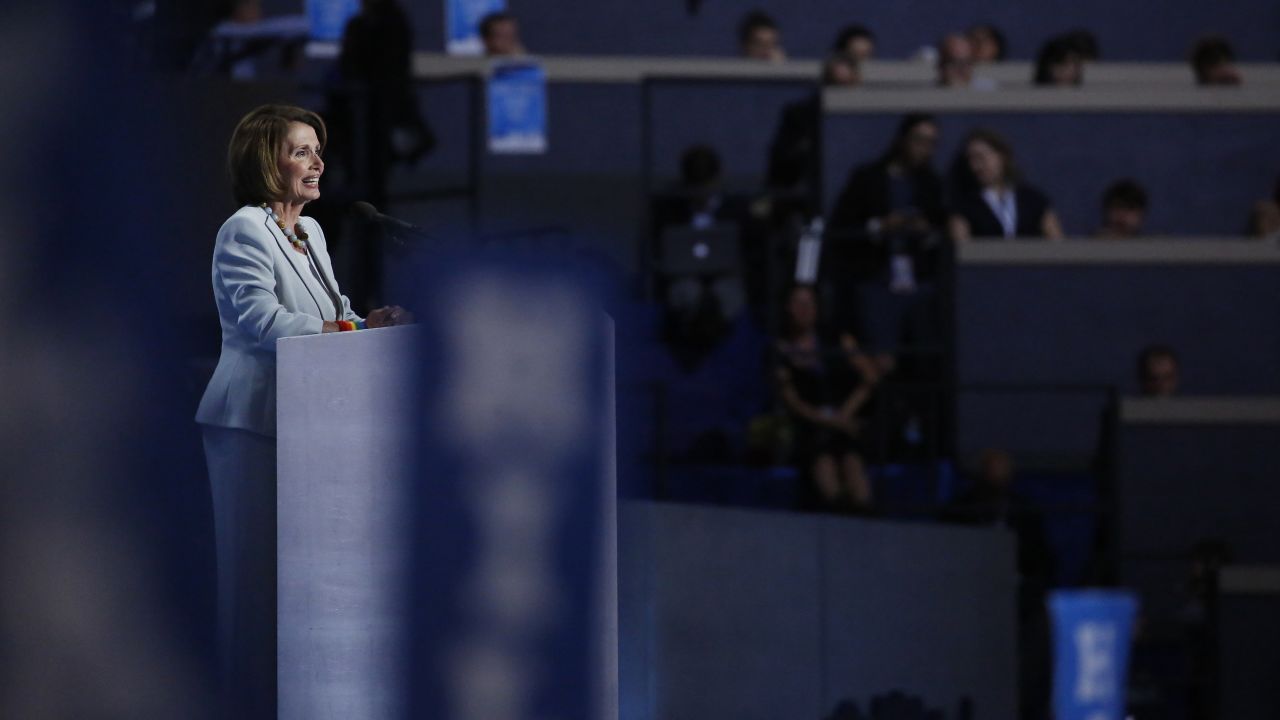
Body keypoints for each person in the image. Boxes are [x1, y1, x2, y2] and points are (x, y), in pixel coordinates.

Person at [195, 104, 411, 718]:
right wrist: (350, 329)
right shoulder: (243, 230)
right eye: (301, 152)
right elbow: (263, 322)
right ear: (267, 162)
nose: (317, 163)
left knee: (299, 588)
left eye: (318, 150)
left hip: (308, 421)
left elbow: (332, 310)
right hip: (251, 420)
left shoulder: (310, 232)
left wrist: (369, 321)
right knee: (251, 584)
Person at [775, 285, 879, 513]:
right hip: (810, 427)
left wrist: (845, 414)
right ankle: (837, 511)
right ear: (787, 308)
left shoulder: (836, 340)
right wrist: (830, 421)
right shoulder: (780, 351)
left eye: (809, 303)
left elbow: (870, 377)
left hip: (844, 422)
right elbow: (793, 402)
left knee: (852, 460)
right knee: (823, 459)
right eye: (798, 303)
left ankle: (865, 515)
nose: (804, 310)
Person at [948, 128, 1064, 241]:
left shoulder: (1033, 200)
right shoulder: (964, 206)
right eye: (971, 160)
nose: (976, 166)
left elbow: (1057, 242)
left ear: (1002, 156)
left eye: (981, 157)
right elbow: (961, 246)